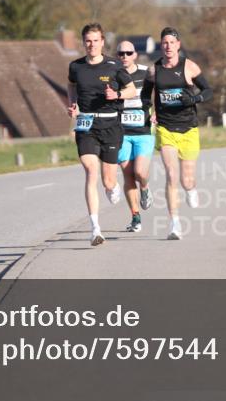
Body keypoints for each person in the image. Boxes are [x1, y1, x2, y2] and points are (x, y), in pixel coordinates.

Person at [67, 23, 137, 246]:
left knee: (108, 180)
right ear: (83, 42)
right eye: (88, 40)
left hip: (110, 125)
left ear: (102, 42)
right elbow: (70, 85)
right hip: (86, 123)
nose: (92, 45)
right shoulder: (76, 67)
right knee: (90, 171)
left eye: (96, 40)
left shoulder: (114, 65)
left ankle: (113, 186)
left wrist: (116, 94)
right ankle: (95, 229)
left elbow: (132, 90)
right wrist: (72, 103)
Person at [147, 27, 212, 240]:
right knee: (171, 175)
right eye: (164, 43)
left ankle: (191, 189)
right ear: (161, 45)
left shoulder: (190, 67)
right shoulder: (154, 71)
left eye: (171, 43)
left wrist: (193, 100)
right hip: (166, 128)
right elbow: (144, 97)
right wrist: (150, 113)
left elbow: (208, 91)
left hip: (189, 128)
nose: (168, 46)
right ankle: (175, 224)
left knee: (186, 179)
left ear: (178, 45)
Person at [114, 41, 155, 232]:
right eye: (121, 53)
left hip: (143, 131)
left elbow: (159, 91)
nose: (124, 57)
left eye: (128, 53)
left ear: (135, 55)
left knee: (140, 172)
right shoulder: (113, 74)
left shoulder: (147, 72)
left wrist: (157, 111)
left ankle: (145, 189)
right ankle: (135, 217)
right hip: (121, 132)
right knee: (127, 174)